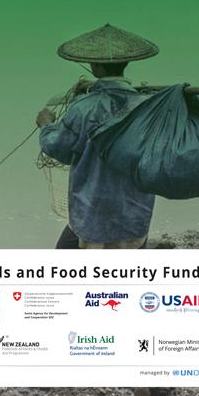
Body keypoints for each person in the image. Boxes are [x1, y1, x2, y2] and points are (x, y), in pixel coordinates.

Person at [35, 24, 159, 250]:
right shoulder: (146, 107)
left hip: (93, 211)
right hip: (134, 210)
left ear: (95, 66)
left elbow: (58, 148)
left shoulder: (84, 108)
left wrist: (46, 125)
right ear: (126, 63)